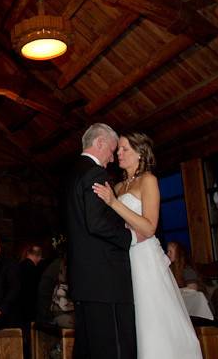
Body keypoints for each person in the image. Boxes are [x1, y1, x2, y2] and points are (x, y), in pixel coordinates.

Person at [93, 132, 202, 359]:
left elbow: (150, 227)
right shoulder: (119, 185)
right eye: (118, 149)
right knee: (131, 320)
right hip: (123, 257)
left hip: (144, 257)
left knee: (151, 319)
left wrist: (113, 202)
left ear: (140, 153)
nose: (118, 153)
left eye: (124, 149)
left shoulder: (148, 180)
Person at [65, 122, 138, 359]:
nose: (112, 158)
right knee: (111, 347)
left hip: (84, 279)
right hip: (105, 279)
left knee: (87, 347)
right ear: (99, 143)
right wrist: (130, 237)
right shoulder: (95, 172)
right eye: (112, 150)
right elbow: (96, 223)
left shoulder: (71, 172)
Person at [19, 244, 43, 323]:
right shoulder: (33, 269)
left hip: (20, 307)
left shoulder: (20, 265)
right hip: (29, 307)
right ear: (39, 257)